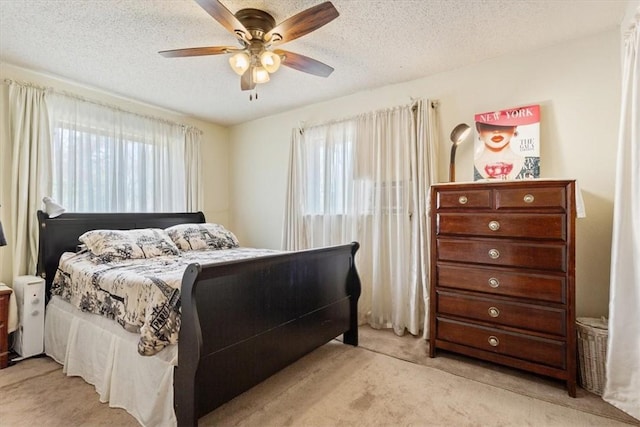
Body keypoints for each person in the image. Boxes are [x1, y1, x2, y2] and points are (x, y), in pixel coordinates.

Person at [473, 121, 538, 180]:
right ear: (478, 128)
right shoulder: (470, 168)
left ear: (514, 127)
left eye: (503, 124)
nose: (496, 130)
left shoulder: (534, 164)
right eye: (489, 125)